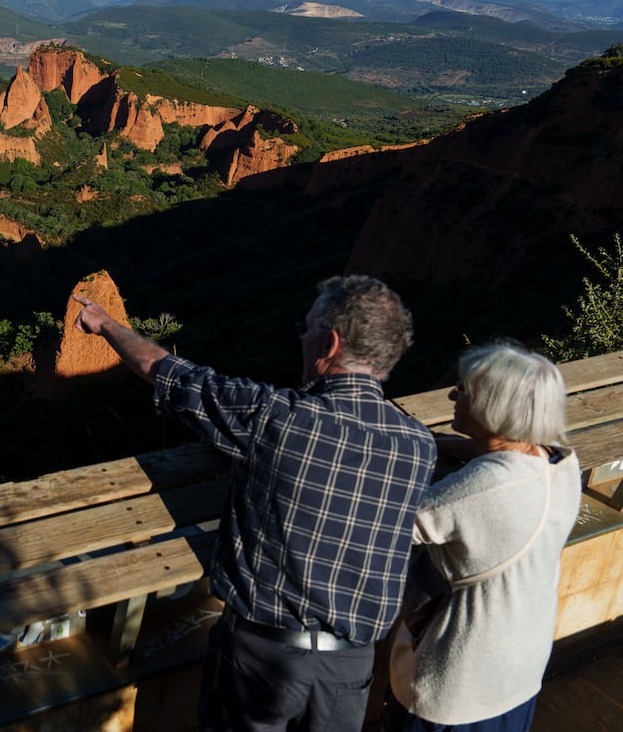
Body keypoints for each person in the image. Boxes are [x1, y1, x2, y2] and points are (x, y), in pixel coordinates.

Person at [74, 274, 437, 732]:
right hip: (350, 671)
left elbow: (168, 372)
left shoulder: (277, 418)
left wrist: (105, 324)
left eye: (306, 330)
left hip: (261, 662)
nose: (301, 339)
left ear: (329, 343)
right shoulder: (417, 443)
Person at [383, 342, 581, 732]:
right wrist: (438, 443)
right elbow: (499, 463)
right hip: (519, 670)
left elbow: (384, 523)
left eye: (464, 390)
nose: (453, 395)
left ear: (495, 406)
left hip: (458, 687)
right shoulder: (560, 461)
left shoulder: (479, 490)